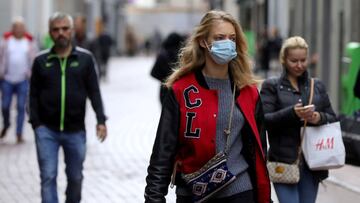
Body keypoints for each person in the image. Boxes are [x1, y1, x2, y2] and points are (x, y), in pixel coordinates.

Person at [145, 10, 270, 203]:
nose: (227, 43)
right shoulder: (181, 90)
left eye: (232, 38)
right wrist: (154, 198)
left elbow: (259, 150)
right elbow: (163, 151)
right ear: (204, 41)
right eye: (220, 38)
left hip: (241, 191)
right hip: (193, 194)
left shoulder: (248, 92)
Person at [29, 12, 107, 203]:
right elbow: (32, 95)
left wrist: (101, 120)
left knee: (75, 178)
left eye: (65, 29)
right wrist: (36, 123)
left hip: (75, 131)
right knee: (48, 177)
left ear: (72, 31)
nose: (61, 33)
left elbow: (94, 92)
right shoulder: (41, 61)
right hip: (46, 130)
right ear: (50, 33)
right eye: (56, 30)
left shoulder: (85, 59)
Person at [260, 36, 337, 203]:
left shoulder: (317, 86)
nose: (299, 65)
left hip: (313, 162)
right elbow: (264, 120)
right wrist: (293, 114)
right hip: (283, 162)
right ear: (284, 59)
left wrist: (318, 117)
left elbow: (333, 118)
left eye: (303, 60)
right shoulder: (272, 86)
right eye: (294, 60)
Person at [0, 16, 38, 143]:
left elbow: (34, 61)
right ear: (13, 29)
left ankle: (19, 133)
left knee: (21, 107)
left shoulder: (29, 43)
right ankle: (6, 124)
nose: (19, 30)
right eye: (16, 27)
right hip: (7, 79)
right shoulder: (6, 42)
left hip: (23, 79)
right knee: (5, 106)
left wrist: (30, 74)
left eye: (21, 27)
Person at [150, 32, 185, 105]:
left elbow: (153, 73)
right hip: (181, 89)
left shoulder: (162, 55)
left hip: (165, 90)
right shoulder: (182, 55)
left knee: (166, 114)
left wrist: (165, 79)